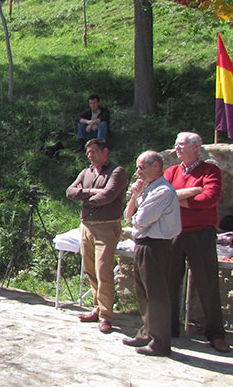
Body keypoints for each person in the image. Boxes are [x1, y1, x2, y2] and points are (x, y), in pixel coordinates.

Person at [165, 132, 230, 353]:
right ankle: (169, 327)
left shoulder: (210, 171)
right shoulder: (172, 171)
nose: (177, 149)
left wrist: (176, 198)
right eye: (176, 145)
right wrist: (188, 194)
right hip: (174, 233)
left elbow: (209, 199)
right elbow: (161, 197)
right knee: (169, 282)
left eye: (181, 144)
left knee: (207, 284)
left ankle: (215, 334)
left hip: (201, 234)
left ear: (196, 147)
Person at [65, 138, 128, 333]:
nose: (89, 155)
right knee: (90, 270)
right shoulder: (86, 172)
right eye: (88, 152)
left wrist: (84, 196)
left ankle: (106, 315)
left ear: (105, 151)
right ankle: (97, 307)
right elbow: (69, 192)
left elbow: (107, 197)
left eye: (93, 151)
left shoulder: (117, 172)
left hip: (107, 228)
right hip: (86, 227)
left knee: (104, 271)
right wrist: (91, 192)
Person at [124, 151, 181, 357]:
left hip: (156, 246)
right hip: (143, 243)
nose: (138, 172)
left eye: (141, 167)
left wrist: (136, 214)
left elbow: (140, 220)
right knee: (143, 292)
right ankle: (146, 331)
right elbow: (128, 215)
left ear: (156, 166)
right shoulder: (148, 190)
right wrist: (135, 197)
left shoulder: (163, 191)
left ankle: (160, 341)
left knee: (156, 294)